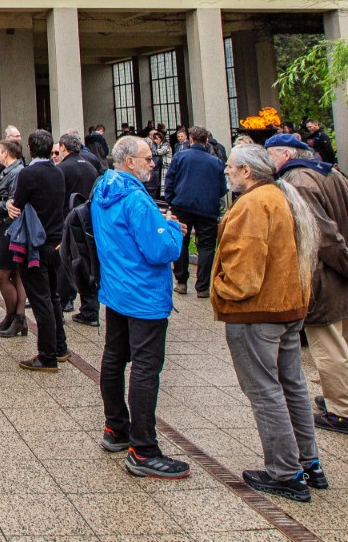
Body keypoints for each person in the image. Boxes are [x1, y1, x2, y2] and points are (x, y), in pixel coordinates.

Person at [211, 144, 327, 503]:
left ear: (247, 171)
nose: (226, 171)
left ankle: (284, 472)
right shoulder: (281, 195)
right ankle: (308, 463)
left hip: (257, 312)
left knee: (265, 390)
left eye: (231, 166)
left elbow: (243, 271)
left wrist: (220, 288)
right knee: (292, 385)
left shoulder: (253, 204)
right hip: (287, 306)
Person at [266, 134, 348, 438]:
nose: (268, 162)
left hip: (325, 277)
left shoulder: (296, 182)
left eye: (270, 155)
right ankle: (343, 396)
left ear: (286, 155)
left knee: (328, 346)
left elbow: (322, 235)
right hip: (345, 275)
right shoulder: (333, 174)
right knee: (340, 342)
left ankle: (345, 413)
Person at [92, 135, 189, 479]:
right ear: (130, 162)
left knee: (114, 358)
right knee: (146, 367)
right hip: (144, 294)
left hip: (116, 288)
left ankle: (116, 428)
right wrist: (173, 228)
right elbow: (160, 250)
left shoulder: (103, 188)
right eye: (148, 158)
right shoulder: (135, 198)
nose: (153, 163)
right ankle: (143, 449)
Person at [6, 129, 70, 372]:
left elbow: (18, 204)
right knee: (53, 296)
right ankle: (60, 347)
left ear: (31, 148)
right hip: (56, 240)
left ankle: (47, 355)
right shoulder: (58, 171)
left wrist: (10, 204)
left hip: (35, 243)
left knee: (41, 300)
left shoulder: (29, 173)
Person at [163, 126, 226, 299]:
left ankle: (181, 281)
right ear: (206, 141)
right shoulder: (216, 162)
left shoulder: (180, 157)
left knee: (181, 241)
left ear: (190, 139)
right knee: (206, 246)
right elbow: (222, 188)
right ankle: (203, 286)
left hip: (182, 205)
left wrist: (171, 200)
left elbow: (170, 180)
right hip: (207, 208)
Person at [0, 138, 27, 338]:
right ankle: (15, 318)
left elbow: (13, 204)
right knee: (15, 273)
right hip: (5, 227)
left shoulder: (16, 173)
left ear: (6, 153)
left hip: (10, 228)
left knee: (2, 273)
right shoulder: (10, 171)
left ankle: (15, 316)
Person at [55, 130, 101, 324]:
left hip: (69, 221)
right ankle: (90, 310)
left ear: (63, 147)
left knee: (66, 264)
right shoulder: (90, 166)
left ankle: (60, 305)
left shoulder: (62, 168)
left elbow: (58, 198)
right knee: (88, 264)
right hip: (89, 221)